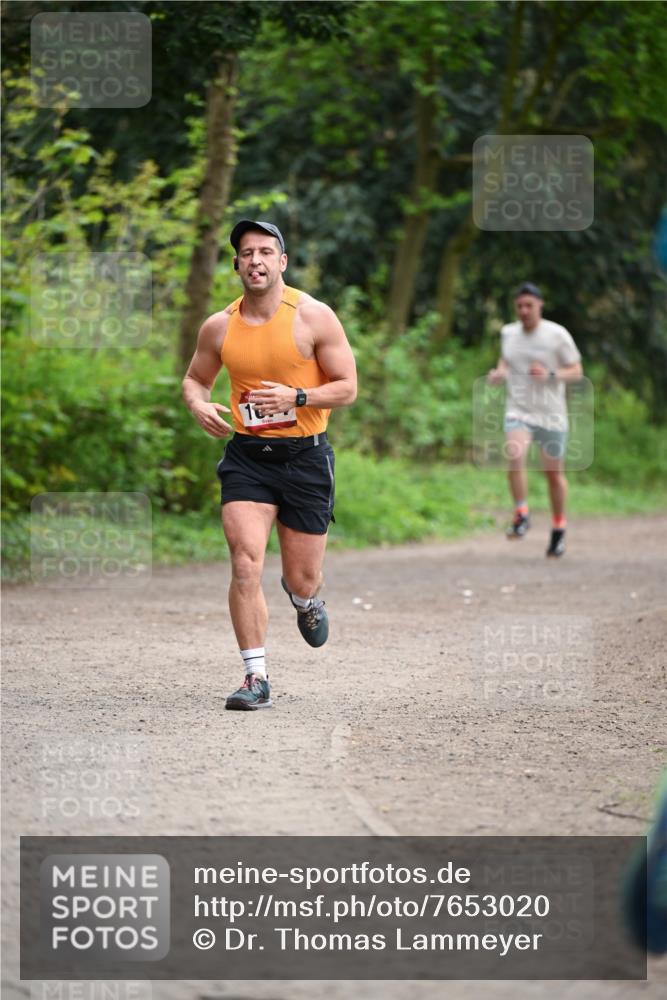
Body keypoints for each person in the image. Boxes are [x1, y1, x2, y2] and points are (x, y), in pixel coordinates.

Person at [182, 220, 357, 710]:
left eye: (265, 252)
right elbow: (196, 379)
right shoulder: (220, 325)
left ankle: (304, 600)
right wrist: (197, 404)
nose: (255, 260)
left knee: (303, 577)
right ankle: (255, 677)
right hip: (247, 459)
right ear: (236, 264)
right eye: (245, 253)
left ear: (281, 262)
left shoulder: (313, 317)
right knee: (244, 563)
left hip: (306, 458)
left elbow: (347, 387)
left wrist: (297, 395)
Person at [487, 282, 583, 557]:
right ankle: (521, 514)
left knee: (553, 475)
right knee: (515, 455)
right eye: (519, 306)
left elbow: (576, 370)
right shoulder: (508, 333)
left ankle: (558, 528)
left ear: (540, 305)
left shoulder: (557, 335)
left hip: (551, 414)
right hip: (519, 408)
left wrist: (551, 375)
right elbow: (506, 360)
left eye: (529, 305)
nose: (524, 311)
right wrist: (499, 373)